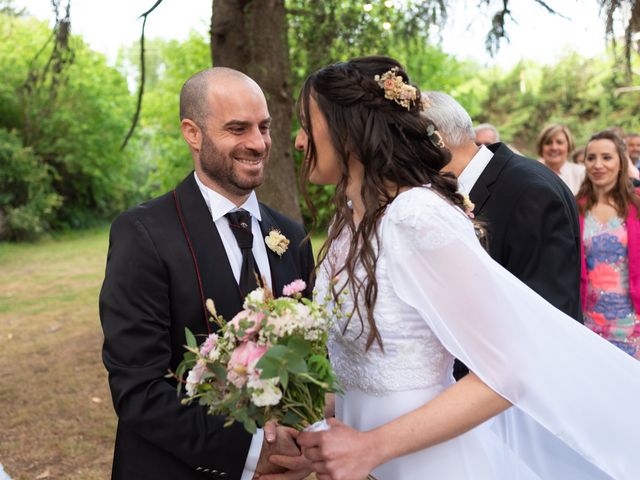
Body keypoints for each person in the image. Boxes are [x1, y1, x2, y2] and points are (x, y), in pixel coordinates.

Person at [291, 56, 640, 479]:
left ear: (349, 131)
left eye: (309, 124)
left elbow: (510, 368)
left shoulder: (417, 216)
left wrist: (371, 447)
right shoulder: (349, 221)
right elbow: (377, 373)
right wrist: (308, 419)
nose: (298, 141)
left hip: (432, 465)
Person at [99, 67, 313, 480]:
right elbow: (138, 388)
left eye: (264, 127)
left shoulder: (289, 233)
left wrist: (299, 440)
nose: (257, 143)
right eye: (237, 128)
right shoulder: (144, 234)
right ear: (192, 133)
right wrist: (253, 456)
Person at [422, 92, 581, 379]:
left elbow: (543, 312)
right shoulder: (484, 182)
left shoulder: (529, 190)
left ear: (437, 140)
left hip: (521, 389)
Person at [576, 130, 640, 359]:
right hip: (589, 323)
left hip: (634, 324)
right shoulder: (575, 208)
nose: (598, 165)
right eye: (591, 158)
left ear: (621, 162)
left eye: (606, 157)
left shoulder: (638, 205)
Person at [537, 124, 585, 194]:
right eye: (548, 143)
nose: (554, 147)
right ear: (541, 147)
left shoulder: (581, 173)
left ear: (568, 146)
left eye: (559, 142)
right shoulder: (532, 173)